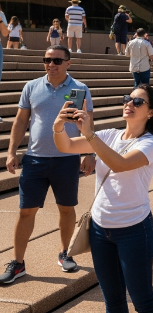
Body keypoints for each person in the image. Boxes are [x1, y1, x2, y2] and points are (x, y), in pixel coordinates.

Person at [53, 84, 153, 312]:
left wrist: (90, 134)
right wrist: (58, 126)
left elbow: (120, 164)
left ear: (151, 112)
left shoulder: (151, 143)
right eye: (127, 99)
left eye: (137, 102)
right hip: (100, 228)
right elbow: (65, 146)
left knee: (142, 299)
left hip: (134, 229)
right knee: (112, 299)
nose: (129, 104)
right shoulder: (109, 135)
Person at [0, 45, 94, 284]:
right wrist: (12, 152)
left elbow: (87, 123)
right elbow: (21, 121)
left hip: (67, 160)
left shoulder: (80, 88)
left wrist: (90, 152)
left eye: (56, 61)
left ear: (68, 63)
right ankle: (18, 263)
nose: (51, 65)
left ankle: (65, 253)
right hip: (35, 159)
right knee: (25, 211)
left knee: (66, 208)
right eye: (47, 60)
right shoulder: (31, 86)